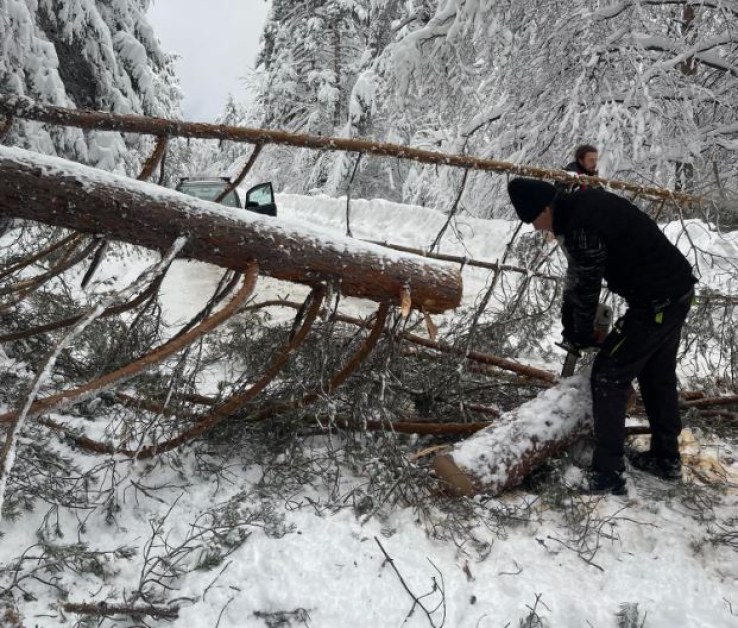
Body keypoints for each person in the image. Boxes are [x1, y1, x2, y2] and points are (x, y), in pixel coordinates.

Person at [507, 178, 697, 495]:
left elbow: (587, 284)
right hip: (675, 291)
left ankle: (608, 473)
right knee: (656, 376)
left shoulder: (580, 225)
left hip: (657, 303)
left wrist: (581, 332)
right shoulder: (578, 210)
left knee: (609, 375)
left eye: (534, 221)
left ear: (545, 208)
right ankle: (667, 459)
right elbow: (577, 276)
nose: (539, 230)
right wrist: (572, 324)